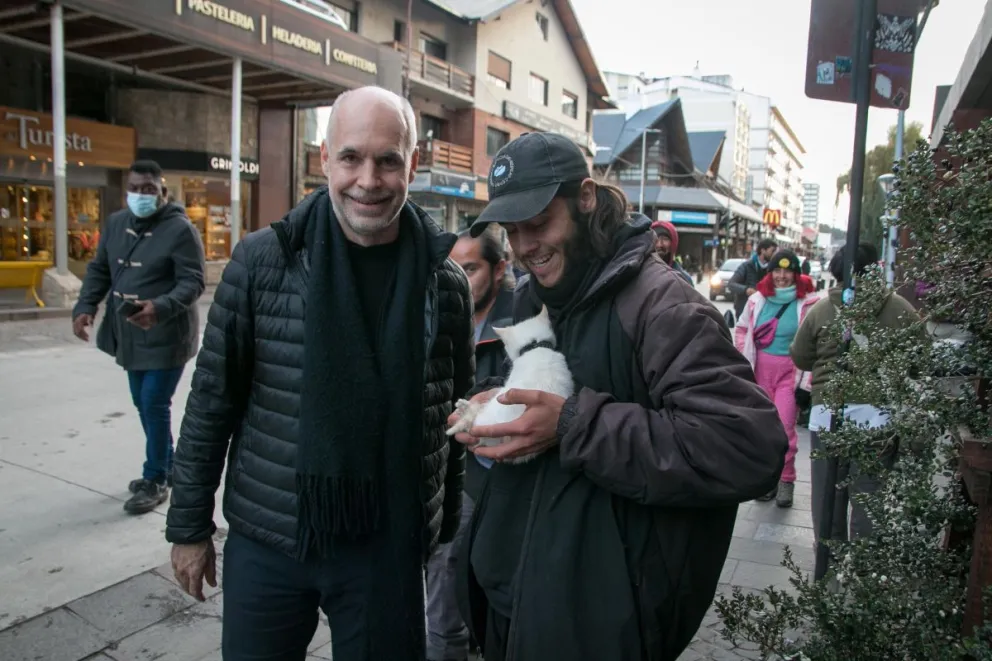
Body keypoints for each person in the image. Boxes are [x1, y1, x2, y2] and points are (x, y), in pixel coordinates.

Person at [449, 132, 787, 661]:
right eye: (512, 231)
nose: (524, 247)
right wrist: (495, 408)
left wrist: (572, 425)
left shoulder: (662, 306)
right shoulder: (532, 297)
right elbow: (548, 402)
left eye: (539, 223)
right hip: (513, 602)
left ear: (585, 198)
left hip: (604, 623)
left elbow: (749, 447)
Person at [164, 86, 474, 661]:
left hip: (387, 546)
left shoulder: (446, 283)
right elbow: (212, 401)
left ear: (411, 165)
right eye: (352, 157)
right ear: (325, 159)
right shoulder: (263, 261)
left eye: (388, 161)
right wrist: (189, 526)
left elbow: (449, 418)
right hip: (272, 537)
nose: (369, 180)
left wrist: (442, 531)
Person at [72, 160, 205, 515]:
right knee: (140, 400)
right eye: (135, 188)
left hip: (167, 334)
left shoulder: (180, 230)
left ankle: (156, 478)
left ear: (162, 191)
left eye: (149, 189)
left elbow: (193, 282)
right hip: (129, 334)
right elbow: (100, 269)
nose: (141, 195)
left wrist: (159, 307)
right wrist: (85, 306)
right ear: (126, 190)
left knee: (153, 403)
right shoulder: (116, 224)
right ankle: (171, 463)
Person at [791, 243, 919, 541]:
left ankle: (829, 569)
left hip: (828, 416)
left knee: (827, 499)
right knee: (869, 501)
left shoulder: (821, 310)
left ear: (837, 273)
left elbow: (800, 357)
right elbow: (919, 358)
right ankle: (862, 573)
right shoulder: (899, 308)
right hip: (878, 420)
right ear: (875, 269)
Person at [426, 225, 514, 661]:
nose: (459, 277)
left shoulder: (522, 323)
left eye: (471, 268)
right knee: (441, 594)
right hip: (441, 474)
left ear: (499, 270)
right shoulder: (436, 309)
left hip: (490, 479)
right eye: (453, 267)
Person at [733, 250, 818, 507]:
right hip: (759, 371)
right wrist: (742, 361)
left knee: (784, 428)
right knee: (760, 429)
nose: (782, 276)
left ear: (796, 273)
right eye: (777, 271)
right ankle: (766, 481)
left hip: (790, 374)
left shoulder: (809, 303)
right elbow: (741, 329)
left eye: (788, 271)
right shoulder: (757, 300)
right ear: (769, 273)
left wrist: (807, 383)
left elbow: (815, 343)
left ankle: (786, 480)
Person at [728, 238, 778, 318]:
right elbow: (731, 284)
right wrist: (746, 290)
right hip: (744, 309)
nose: (774, 254)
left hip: (764, 310)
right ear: (763, 250)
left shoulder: (773, 269)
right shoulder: (747, 266)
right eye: (772, 251)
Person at [650, 220, 693, 284]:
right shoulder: (639, 274)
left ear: (673, 244)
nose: (660, 244)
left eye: (665, 239)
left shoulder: (684, 279)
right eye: (655, 239)